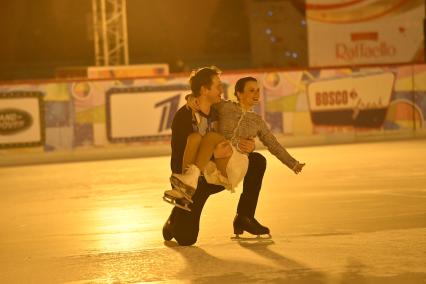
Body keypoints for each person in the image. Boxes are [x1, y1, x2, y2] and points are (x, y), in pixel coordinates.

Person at [162, 67, 270, 245]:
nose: (222, 90)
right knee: (186, 239)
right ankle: (175, 219)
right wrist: (212, 154)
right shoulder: (184, 117)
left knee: (257, 160)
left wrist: (249, 145)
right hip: (194, 181)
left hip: (217, 172)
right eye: (218, 86)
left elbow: (235, 133)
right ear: (204, 89)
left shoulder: (219, 110)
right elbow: (181, 158)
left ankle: (244, 216)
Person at [169, 77, 305, 201]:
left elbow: (273, 144)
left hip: (236, 163)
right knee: (194, 138)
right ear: (239, 94)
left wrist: (292, 163)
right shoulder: (225, 107)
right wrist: (191, 97)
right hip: (220, 158)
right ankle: (183, 188)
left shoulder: (257, 122)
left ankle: (189, 182)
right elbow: (205, 98)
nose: (257, 94)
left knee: (211, 137)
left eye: (258, 90)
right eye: (252, 90)